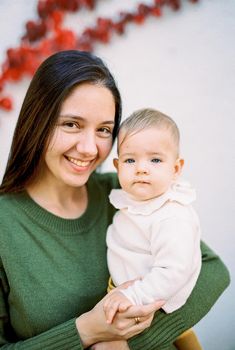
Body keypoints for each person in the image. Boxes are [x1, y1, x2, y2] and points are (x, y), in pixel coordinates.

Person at [0, 50, 230, 350]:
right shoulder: (6, 224)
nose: (88, 147)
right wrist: (86, 331)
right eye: (71, 124)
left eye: (104, 130)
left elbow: (212, 270)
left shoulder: (125, 194)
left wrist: (129, 342)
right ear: (37, 121)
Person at [104, 108, 202, 324]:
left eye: (155, 160)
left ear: (176, 169)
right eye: (130, 160)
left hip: (150, 301)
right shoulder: (133, 201)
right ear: (117, 166)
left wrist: (132, 296)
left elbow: (173, 272)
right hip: (123, 293)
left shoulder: (172, 216)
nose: (141, 169)